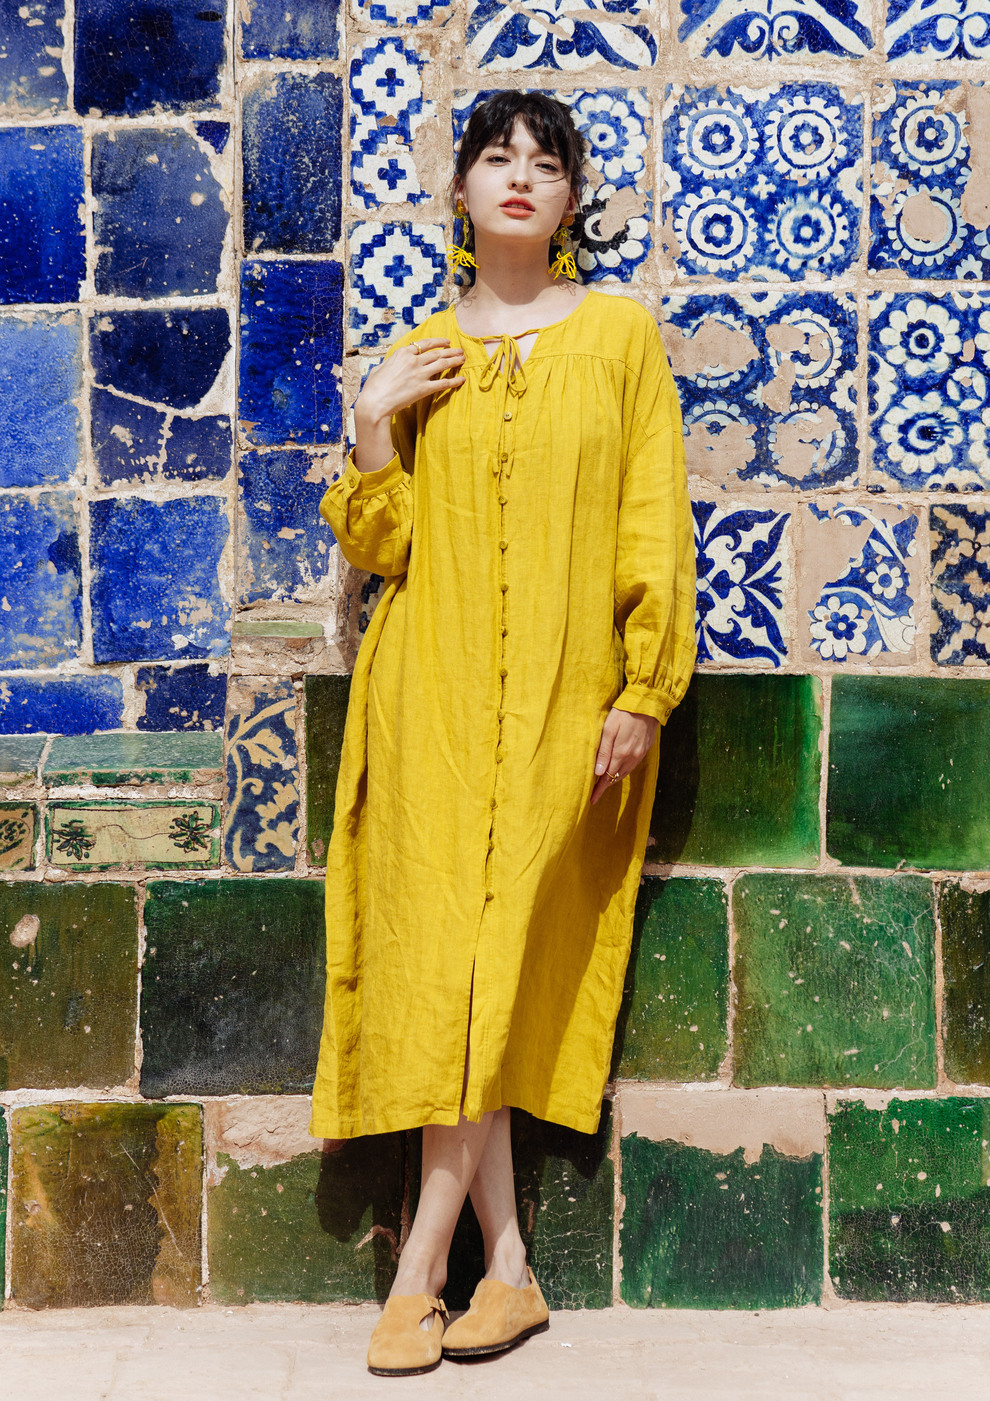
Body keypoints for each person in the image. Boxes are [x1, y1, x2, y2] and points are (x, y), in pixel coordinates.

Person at [308, 90, 697, 1377]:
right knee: (455, 971)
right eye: (494, 157)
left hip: (564, 704)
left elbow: (652, 519)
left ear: (573, 198)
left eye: (545, 161)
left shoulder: (620, 339)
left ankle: (421, 1271)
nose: (519, 176)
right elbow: (386, 546)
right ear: (462, 192)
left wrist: (643, 690)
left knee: (498, 959)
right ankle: (507, 1273)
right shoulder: (421, 354)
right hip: (426, 698)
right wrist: (374, 423)